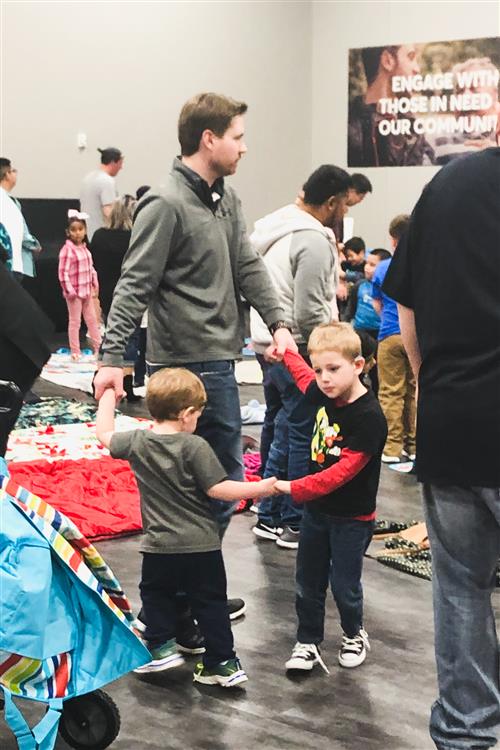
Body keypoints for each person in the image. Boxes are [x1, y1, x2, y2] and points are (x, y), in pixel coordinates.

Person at [93, 92, 296, 620]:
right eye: (238, 136)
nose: (244, 148)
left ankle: (189, 594)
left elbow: (248, 265)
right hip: (183, 368)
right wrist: (111, 359)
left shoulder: (224, 200)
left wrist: (279, 322)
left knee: (214, 486)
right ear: (209, 139)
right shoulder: (165, 204)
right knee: (210, 486)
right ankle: (181, 600)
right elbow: (133, 285)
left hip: (218, 363)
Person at [382, 147, 500, 750]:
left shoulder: (450, 183)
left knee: (460, 588)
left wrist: (434, 386)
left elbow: (405, 303)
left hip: (455, 419)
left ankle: (466, 734)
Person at [96, 369, 277, 686]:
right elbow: (219, 490)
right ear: (186, 414)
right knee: (211, 604)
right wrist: (262, 488)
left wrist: (110, 394)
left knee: (156, 595)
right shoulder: (195, 446)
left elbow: (103, 434)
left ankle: (161, 647)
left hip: (160, 547)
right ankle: (222, 663)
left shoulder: (137, 442)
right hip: (202, 546)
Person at [268, 323, 386, 672]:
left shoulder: (369, 418)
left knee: (345, 584)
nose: (324, 378)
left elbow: (341, 474)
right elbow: (304, 377)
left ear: (359, 366)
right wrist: (288, 350)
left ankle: (353, 633)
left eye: (333, 369)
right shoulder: (324, 392)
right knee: (308, 579)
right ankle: (307, 641)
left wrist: (293, 488)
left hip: (351, 517)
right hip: (317, 514)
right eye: (321, 369)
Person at [250, 165, 351, 549]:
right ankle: (292, 520)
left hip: (269, 344)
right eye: (343, 204)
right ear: (330, 202)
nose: (344, 210)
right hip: (295, 349)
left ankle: (268, 515)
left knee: (277, 427)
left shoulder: (278, 228)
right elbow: (311, 309)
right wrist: (331, 349)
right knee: (301, 434)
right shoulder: (311, 239)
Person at [372, 214, 416, 463]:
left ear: (392, 239)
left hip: (389, 333)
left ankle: (391, 449)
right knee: (414, 391)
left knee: (390, 392)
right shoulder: (422, 262)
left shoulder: (384, 267)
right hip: (416, 336)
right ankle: (415, 446)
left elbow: (377, 303)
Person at [348, 44, 435, 167]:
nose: (417, 69)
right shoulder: (347, 129)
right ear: (387, 61)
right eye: (411, 57)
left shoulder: (413, 128)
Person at [91, 195, 140, 401]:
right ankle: (127, 382)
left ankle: (100, 373)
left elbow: (94, 263)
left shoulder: (100, 236)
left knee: (110, 332)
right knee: (131, 335)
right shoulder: (135, 237)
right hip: (129, 291)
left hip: (106, 290)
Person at [58, 210, 101, 360]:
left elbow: (90, 267)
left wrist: (94, 281)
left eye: (80, 229)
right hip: (74, 293)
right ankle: (75, 350)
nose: (77, 233)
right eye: (74, 230)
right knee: (75, 321)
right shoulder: (67, 250)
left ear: (85, 230)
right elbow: (63, 273)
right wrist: (69, 291)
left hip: (86, 290)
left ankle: (98, 347)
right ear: (68, 232)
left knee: (92, 320)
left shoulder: (85, 249)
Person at [0, 157, 41, 280]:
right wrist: (35, 245)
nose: (15, 174)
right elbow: (21, 233)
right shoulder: (8, 202)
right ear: (7, 174)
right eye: (13, 171)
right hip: (11, 263)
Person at [80, 147, 124, 240]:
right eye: (120, 163)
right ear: (113, 162)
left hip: (86, 234)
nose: (121, 167)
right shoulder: (107, 181)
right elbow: (108, 210)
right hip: (101, 236)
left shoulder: (87, 178)